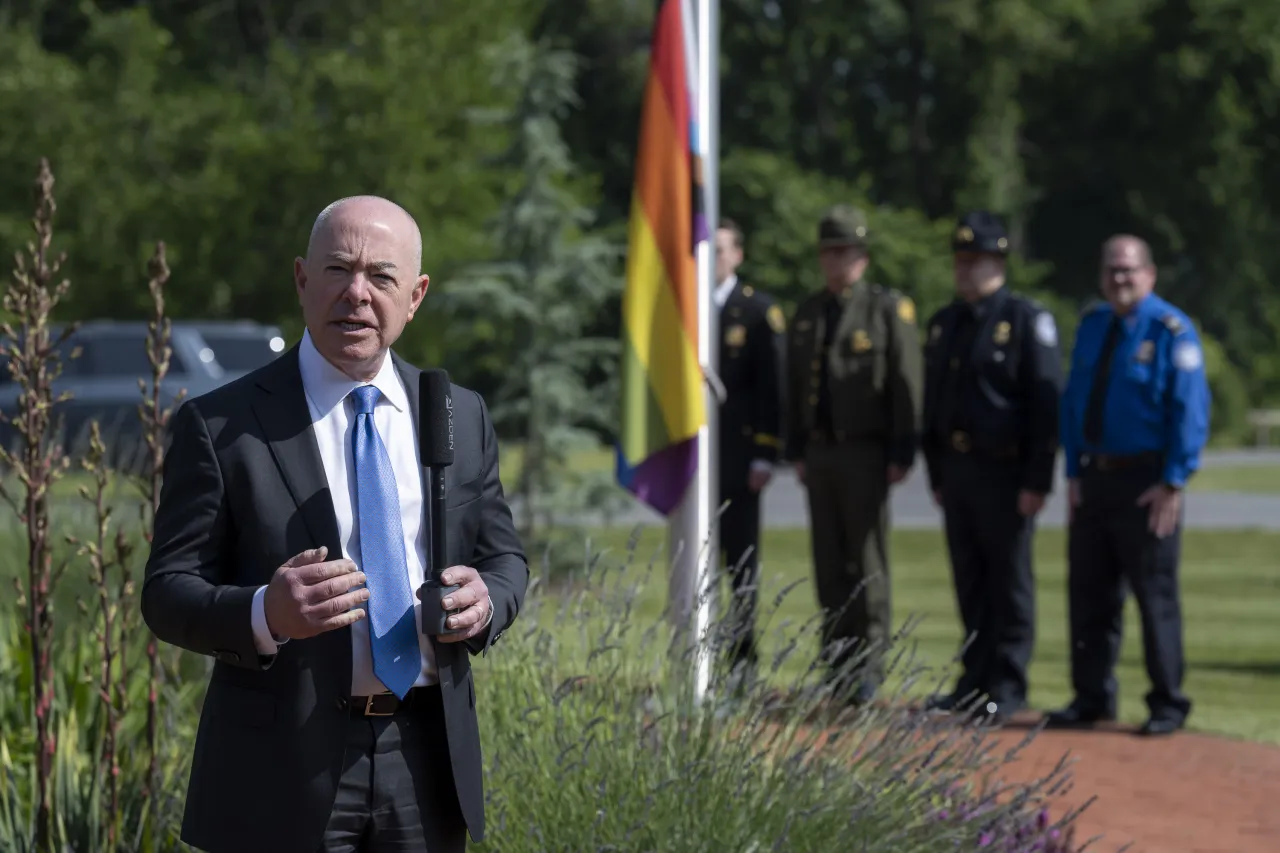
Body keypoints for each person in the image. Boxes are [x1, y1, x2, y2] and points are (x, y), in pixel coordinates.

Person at [141, 195, 529, 853]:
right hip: (280, 769)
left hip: (426, 760)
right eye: (337, 270)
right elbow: (167, 592)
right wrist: (268, 613)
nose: (356, 293)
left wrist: (485, 601)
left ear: (415, 295)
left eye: (381, 276)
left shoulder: (460, 414)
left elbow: (507, 559)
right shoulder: (221, 425)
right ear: (301, 279)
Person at [1047, 234, 1210, 737]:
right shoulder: (1094, 325)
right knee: (1089, 594)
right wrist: (1073, 472)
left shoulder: (1170, 331)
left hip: (1147, 481)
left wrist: (1174, 482)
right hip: (1096, 477)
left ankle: (1167, 702)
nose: (1120, 279)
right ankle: (1091, 697)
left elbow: (1190, 410)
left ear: (1150, 274)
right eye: (1112, 270)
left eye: (1129, 270)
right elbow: (1075, 403)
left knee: (1154, 596)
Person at [920, 211, 1062, 723]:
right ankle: (973, 680)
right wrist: (935, 471)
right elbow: (933, 403)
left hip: (1006, 473)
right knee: (971, 581)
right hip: (958, 472)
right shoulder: (946, 322)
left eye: (976, 260)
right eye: (960, 260)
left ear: (998, 261)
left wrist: (1037, 478)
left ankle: (1007, 682)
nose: (966, 270)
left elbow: (1046, 408)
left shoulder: (1024, 320)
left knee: (1010, 582)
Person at [783, 204, 922, 704]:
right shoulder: (808, 312)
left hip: (866, 452)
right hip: (820, 456)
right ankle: (836, 665)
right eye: (832, 253)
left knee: (866, 563)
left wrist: (904, 447)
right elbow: (795, 385)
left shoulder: (885, 310)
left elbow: (906, 381)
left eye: (849, 253)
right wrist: (794, 446)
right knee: (828, 563)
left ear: (863, 258)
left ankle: (869, 667)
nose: (841, 262)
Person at [710, 218, 786, 687]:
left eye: (720, 250)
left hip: (740, 459)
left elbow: (772, 390)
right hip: (699, 464)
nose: (712, 259)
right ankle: (699, 661)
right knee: (696, 567)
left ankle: (741, 663)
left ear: (738, 255)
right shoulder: (687, 309)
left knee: (740, 567)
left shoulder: (757, 311)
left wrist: (765, 454)